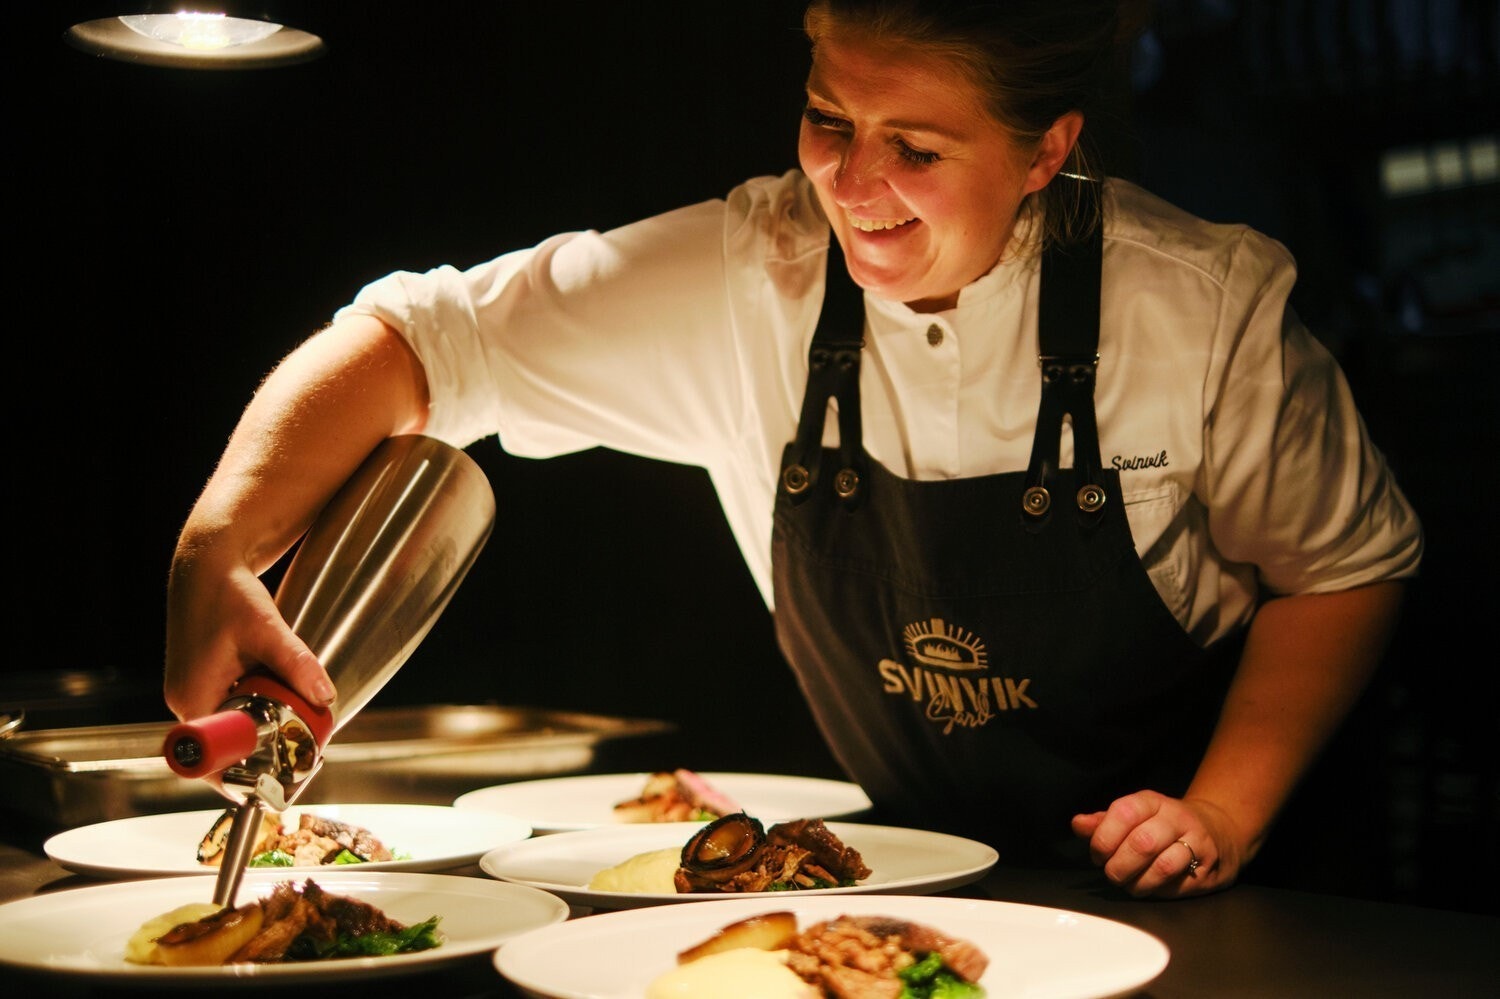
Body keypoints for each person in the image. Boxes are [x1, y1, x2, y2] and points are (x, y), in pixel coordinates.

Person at [163, 0, 1421, 899]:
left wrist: (1220, 812)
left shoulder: (1198, 306)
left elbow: (1343, 566)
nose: (851, 181)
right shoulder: (751, 274)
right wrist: (220, 545)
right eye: (829, 116)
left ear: (1047, 150)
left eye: (916, 148)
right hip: (911, 889)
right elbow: (417, 342)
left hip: (1223, 903)